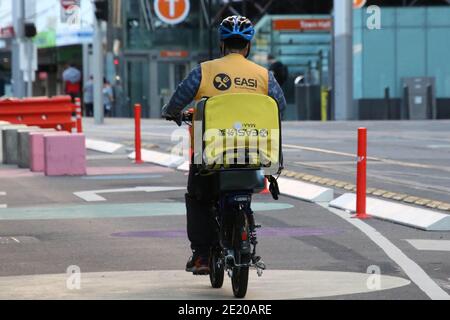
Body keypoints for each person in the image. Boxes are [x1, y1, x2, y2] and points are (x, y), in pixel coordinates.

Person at [162, 15, 286, 275]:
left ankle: (203, 256)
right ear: (248, 46)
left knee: (198, 197)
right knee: (244, 189)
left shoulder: (204, 71)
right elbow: (280, 108)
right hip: (255, 153)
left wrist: (172, 112)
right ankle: (246, 229)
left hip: (211, 153)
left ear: (221, 44)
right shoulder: (264, 76)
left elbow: (177, 102)